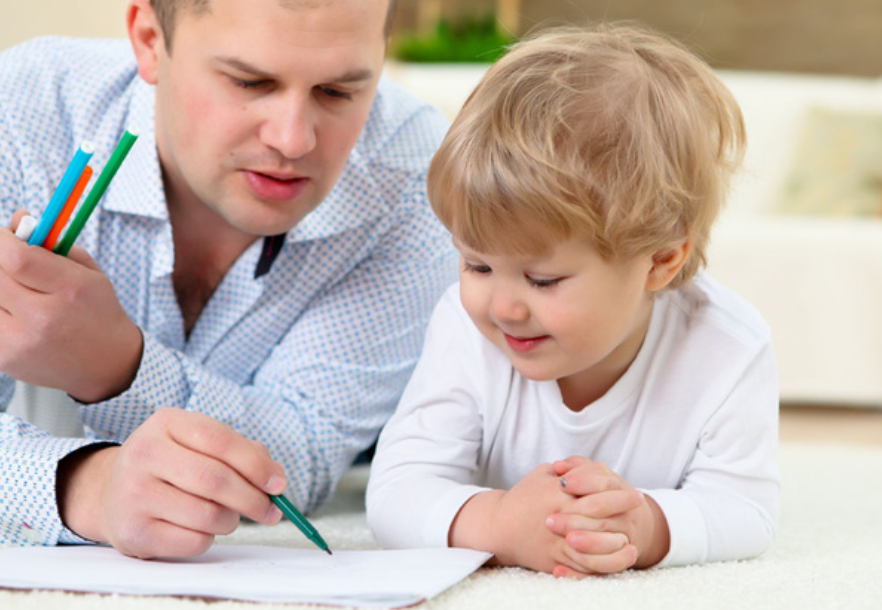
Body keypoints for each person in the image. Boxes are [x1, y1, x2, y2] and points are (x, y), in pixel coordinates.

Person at [0, 0, 457, 557]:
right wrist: (85, 487)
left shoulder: (416, 177)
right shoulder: (24, 111)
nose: (293, 141)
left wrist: (112, 364)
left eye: (338, 92)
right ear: (149, 41)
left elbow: (298, 456)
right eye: (249, 81)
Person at [366, 22, 780, 577]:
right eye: (477, 265)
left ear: (660, 261)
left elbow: (746, 509)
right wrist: (501, 525)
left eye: (542, 280)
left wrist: (644, 523)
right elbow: (396, 490)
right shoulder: (465, 328)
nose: (504, 306)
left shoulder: (728, 346)